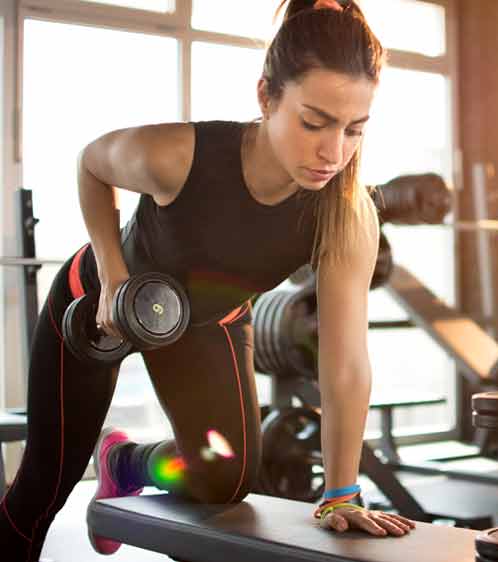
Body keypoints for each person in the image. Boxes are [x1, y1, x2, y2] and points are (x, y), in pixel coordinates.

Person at [0, 1, 416, 559]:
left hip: (205, 320)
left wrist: (341, 494)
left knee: (227, 477)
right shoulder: (181, 155)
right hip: (102, 303)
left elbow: (343, 362)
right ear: (267, 96)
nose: (332, 152)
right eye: (314, 122)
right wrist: (113, 273)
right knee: (44, 486)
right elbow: (92, 164)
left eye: (353, 130)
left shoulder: (345, 213)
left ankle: (125, 461)